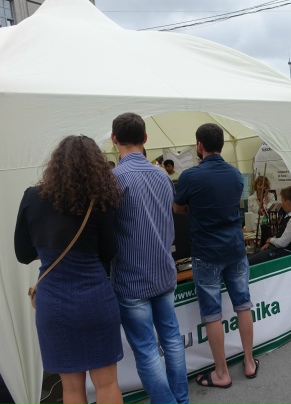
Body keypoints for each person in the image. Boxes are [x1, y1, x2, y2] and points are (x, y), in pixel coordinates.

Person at [14, 135, 123, 404]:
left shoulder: (32, 197)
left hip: (53, 303)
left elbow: (23, 253)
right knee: (107, 383)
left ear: (55, 164)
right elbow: (108, 252)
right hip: (95, 298)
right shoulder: (101, 200)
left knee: (71, 389)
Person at [110, 113, 188, 404]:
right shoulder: (162, 176)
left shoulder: (115, 180)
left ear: (114, 139)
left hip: (131, 279)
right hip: (163, 271)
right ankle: (180, 399)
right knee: (172, 340)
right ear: (145, 138)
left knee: (146, 349)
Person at [173, 123, 258, 388]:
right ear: (221, 144)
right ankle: (249, 362)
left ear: (199, 145)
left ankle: (222, 372)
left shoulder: (190, 176)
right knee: (243, 305)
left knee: (212, 313)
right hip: (235, 248)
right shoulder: (235, 174)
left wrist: (196, 210)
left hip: (206, 252)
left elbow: (177, 208)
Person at [248, 186, 291, 266]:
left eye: (282, 200)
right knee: (250, 258)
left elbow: (282, 243)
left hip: (284, 254)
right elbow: (282, 237)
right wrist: (270, 243)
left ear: (288, 202)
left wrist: (270, 240)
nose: (281, 203)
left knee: (248, 262)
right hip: (280, 250)